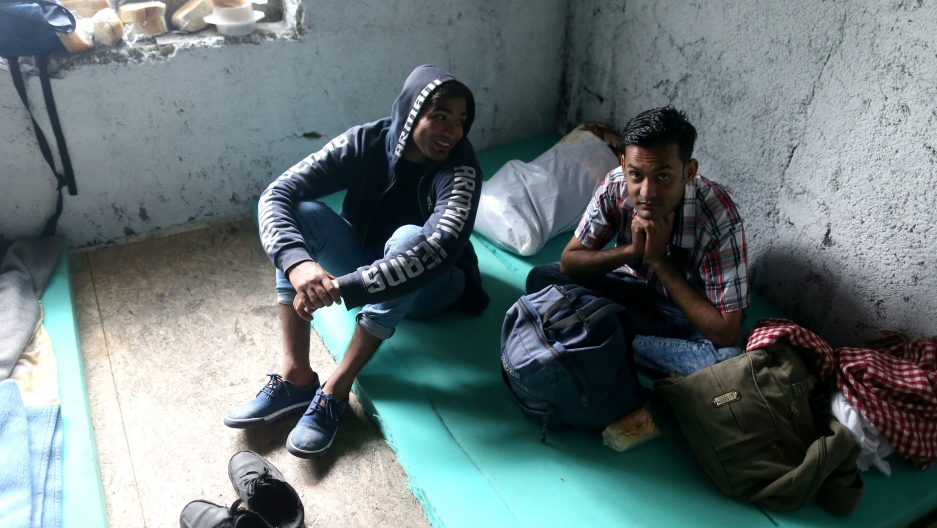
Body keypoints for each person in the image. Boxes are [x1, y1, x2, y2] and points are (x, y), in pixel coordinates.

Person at [225, 65, 489, 459]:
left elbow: (434, 251)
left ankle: (336, 389)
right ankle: (296, 376)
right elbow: (276, 193)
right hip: (369, 261)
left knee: (407, 238)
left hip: (434, 286)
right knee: (302, 212)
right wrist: (299, 265)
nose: (452, 132)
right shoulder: (367, 140)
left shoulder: (461, 169)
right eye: (441, 116)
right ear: (413, 111)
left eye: (461, 121)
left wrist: (341, 287)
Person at [526, 106, 749, 377]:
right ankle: (615, 338)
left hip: (687, 315)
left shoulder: (718, 217)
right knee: (543, 278)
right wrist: (632, 250)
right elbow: (569, 262)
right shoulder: (615, 185)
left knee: (722, 362)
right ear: (623, 165)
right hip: (631, 292)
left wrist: (658, 259)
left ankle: (596, 337)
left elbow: (725, 331)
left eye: (663, 177)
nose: (647, 192)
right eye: (636, 175)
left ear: (689, 172)